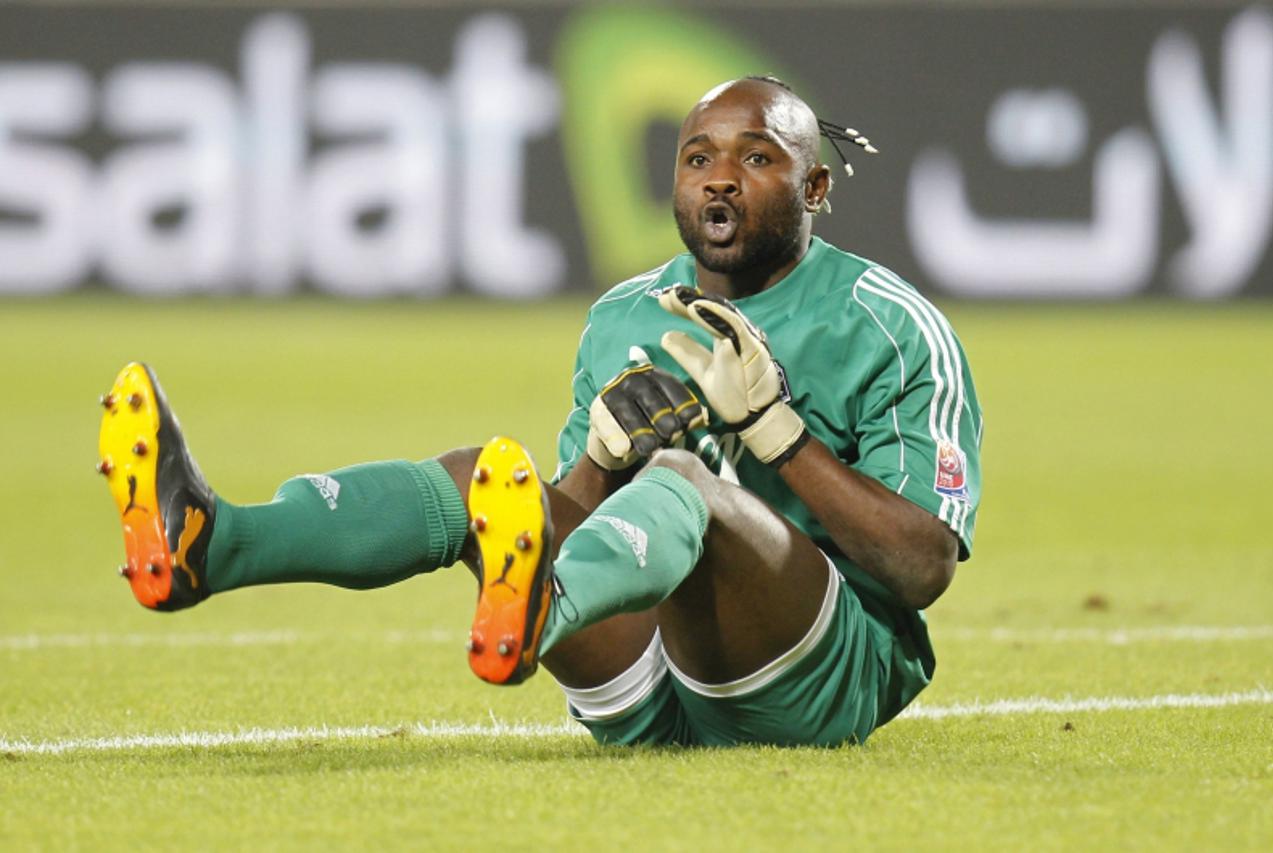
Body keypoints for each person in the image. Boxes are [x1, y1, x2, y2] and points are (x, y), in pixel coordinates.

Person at [96, 76, 982, 747]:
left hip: (815, 679)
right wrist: (597, 460)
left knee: (685, 481)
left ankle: (538, 616)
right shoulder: (625, 315)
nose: (720, 180)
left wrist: (777, 435)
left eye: (756, 158)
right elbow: (563, 512)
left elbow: (923, 567)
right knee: (484, 477)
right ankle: (215, 542)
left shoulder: (892, 325)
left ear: (816, 188)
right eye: (698, 157)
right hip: (643, 690)